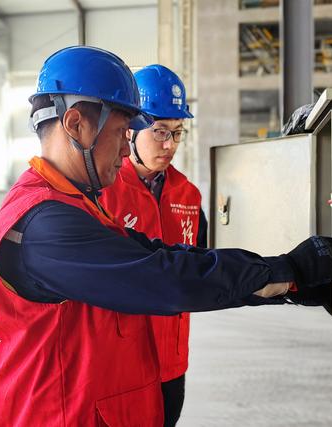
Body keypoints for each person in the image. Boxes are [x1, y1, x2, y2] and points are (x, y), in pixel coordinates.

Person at [0, 45, 332, 427]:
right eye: (121, 132)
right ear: (76, 124)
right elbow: (163, 278)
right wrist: (287, 268)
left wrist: (286, 284)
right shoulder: (44, 223)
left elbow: (176, 259)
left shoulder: (78, 204)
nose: (126, 149)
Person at [99, 64, 204, 427]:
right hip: (120, 361)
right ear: (131, 130)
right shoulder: (104, 191)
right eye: (159, 131)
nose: (169, 144)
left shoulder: (188, 194)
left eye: (177, 133)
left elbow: (200, 268)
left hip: (172, 361)